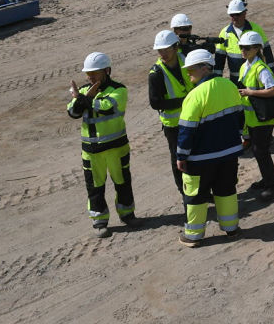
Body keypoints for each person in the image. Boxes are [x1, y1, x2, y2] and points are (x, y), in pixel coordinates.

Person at [176, 48, 246, 247]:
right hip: (229, 153)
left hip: (200, 159)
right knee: (226, 189)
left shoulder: (195, 95)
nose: (188, 72)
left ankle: (194, 235)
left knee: (196, 195)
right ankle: (231, 228)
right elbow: (240, 117)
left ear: (205, 69)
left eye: (191, 69)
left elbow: (186, 131)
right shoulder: (230, 86)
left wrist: (181, 155)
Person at [67, 52, 136, 238]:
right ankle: (100, 221)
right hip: (92, 151)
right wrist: (80, 100)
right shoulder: (83, 90)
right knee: (95, 187)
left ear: (107, 70)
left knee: (122, 183)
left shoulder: (119, 90)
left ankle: (127, 214)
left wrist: (83, 99)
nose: (90, 77)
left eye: (94, 73)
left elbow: (106, 107)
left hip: (116, 148)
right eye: (88, 73)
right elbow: (73, 112)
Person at [148, 30, 192, 201]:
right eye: (160, 51)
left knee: (197, 156)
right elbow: (155, 103)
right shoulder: (156, 73)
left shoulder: (187, 60)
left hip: (194, 119)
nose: (163, 54)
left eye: (166, 49)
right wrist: (186, 101)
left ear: (176, 47)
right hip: (173, 125)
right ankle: (185, 194)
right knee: (179, 160)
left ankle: (201, 190)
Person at [237, 30, 274, 201]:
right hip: (253, 118)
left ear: (256, 49)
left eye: (247, 48)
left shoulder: (262, 68)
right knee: (258, 151)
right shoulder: (244, 66)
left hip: (264, 118)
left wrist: (250, 92)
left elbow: (273, 90)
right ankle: (267, 180)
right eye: (241, 47)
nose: (243, 50)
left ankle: (273, 186)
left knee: (260, 151)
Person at [215, 0, 274, 83]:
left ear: (245, 13)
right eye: (232, 15)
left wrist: (271, 70)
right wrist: (217, 78)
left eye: (238, 14)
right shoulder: (224, 32)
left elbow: (266, 50)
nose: (235, 17)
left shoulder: (255, 29)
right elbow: (219, 57)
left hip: (254, 77)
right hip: (235, 79)